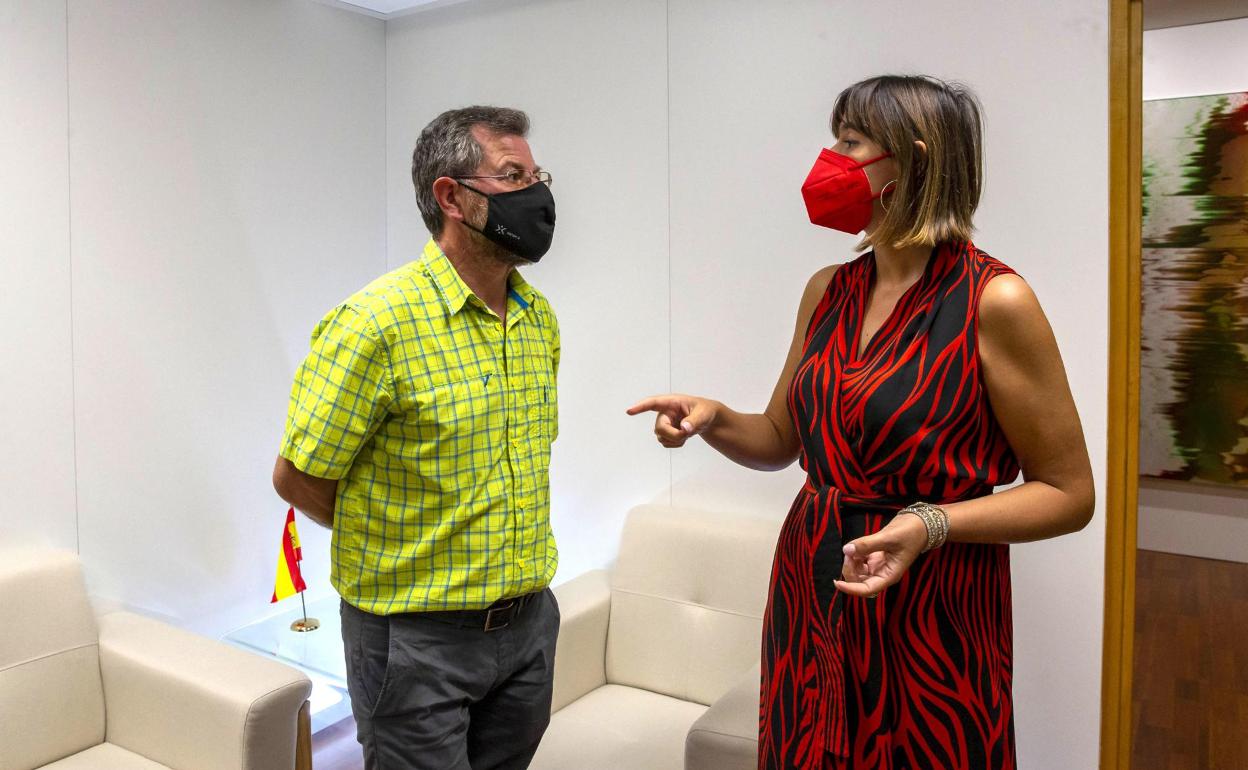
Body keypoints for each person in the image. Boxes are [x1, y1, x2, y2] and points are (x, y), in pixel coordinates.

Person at [628, 75, 1094, 770]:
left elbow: (1069, 493)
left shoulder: (994, 300)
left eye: (850, 141)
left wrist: (929, 524)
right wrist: (715, 419)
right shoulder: (828, 291)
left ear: (910, 159)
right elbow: (781, 442)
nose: (830, 159)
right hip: (813, 582)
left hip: (932, 600)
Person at [273, 106, 562, 770]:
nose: (537, 195)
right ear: (451, 197)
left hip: (526, 631)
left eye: (537, 175)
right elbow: (297, 478)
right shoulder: (375, 324)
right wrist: (401, 549)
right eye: (513, 175)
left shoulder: (536, 318)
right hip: (413, 642)